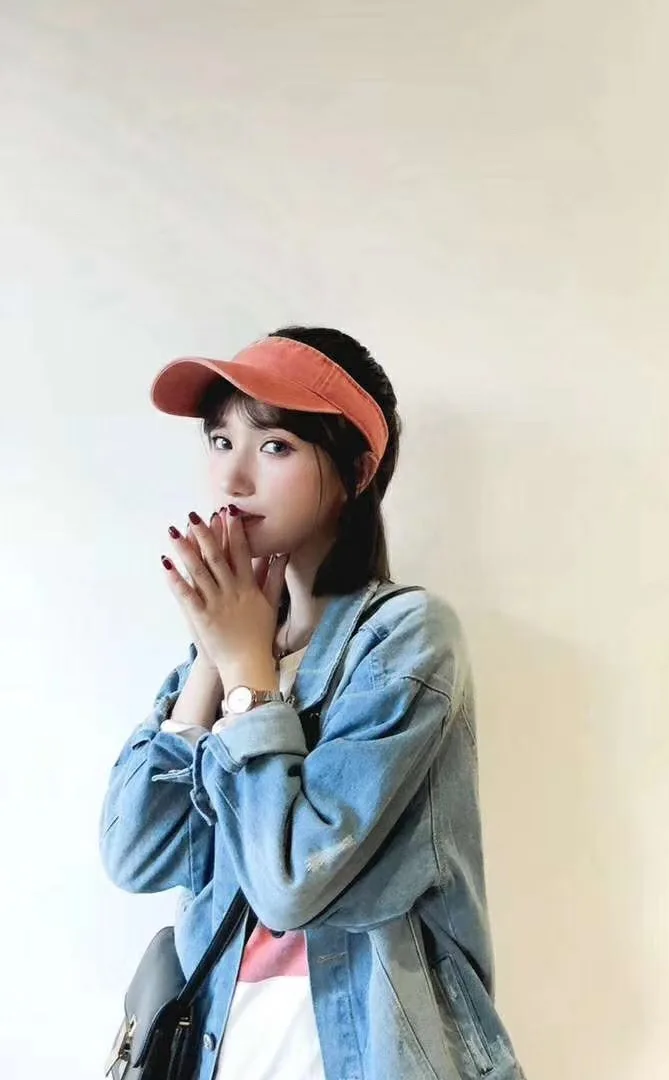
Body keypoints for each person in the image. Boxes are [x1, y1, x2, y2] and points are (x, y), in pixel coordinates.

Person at [99, 326, 526, 1080]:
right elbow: (137, 855)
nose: (233, 479)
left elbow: (292, 884)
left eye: (275, 446)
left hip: (371, 1057)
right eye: (221, 441)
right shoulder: (226, 655)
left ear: (356, 471)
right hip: (223, 1053)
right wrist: (213, 659)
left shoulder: (404, 639)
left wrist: (247, 674)